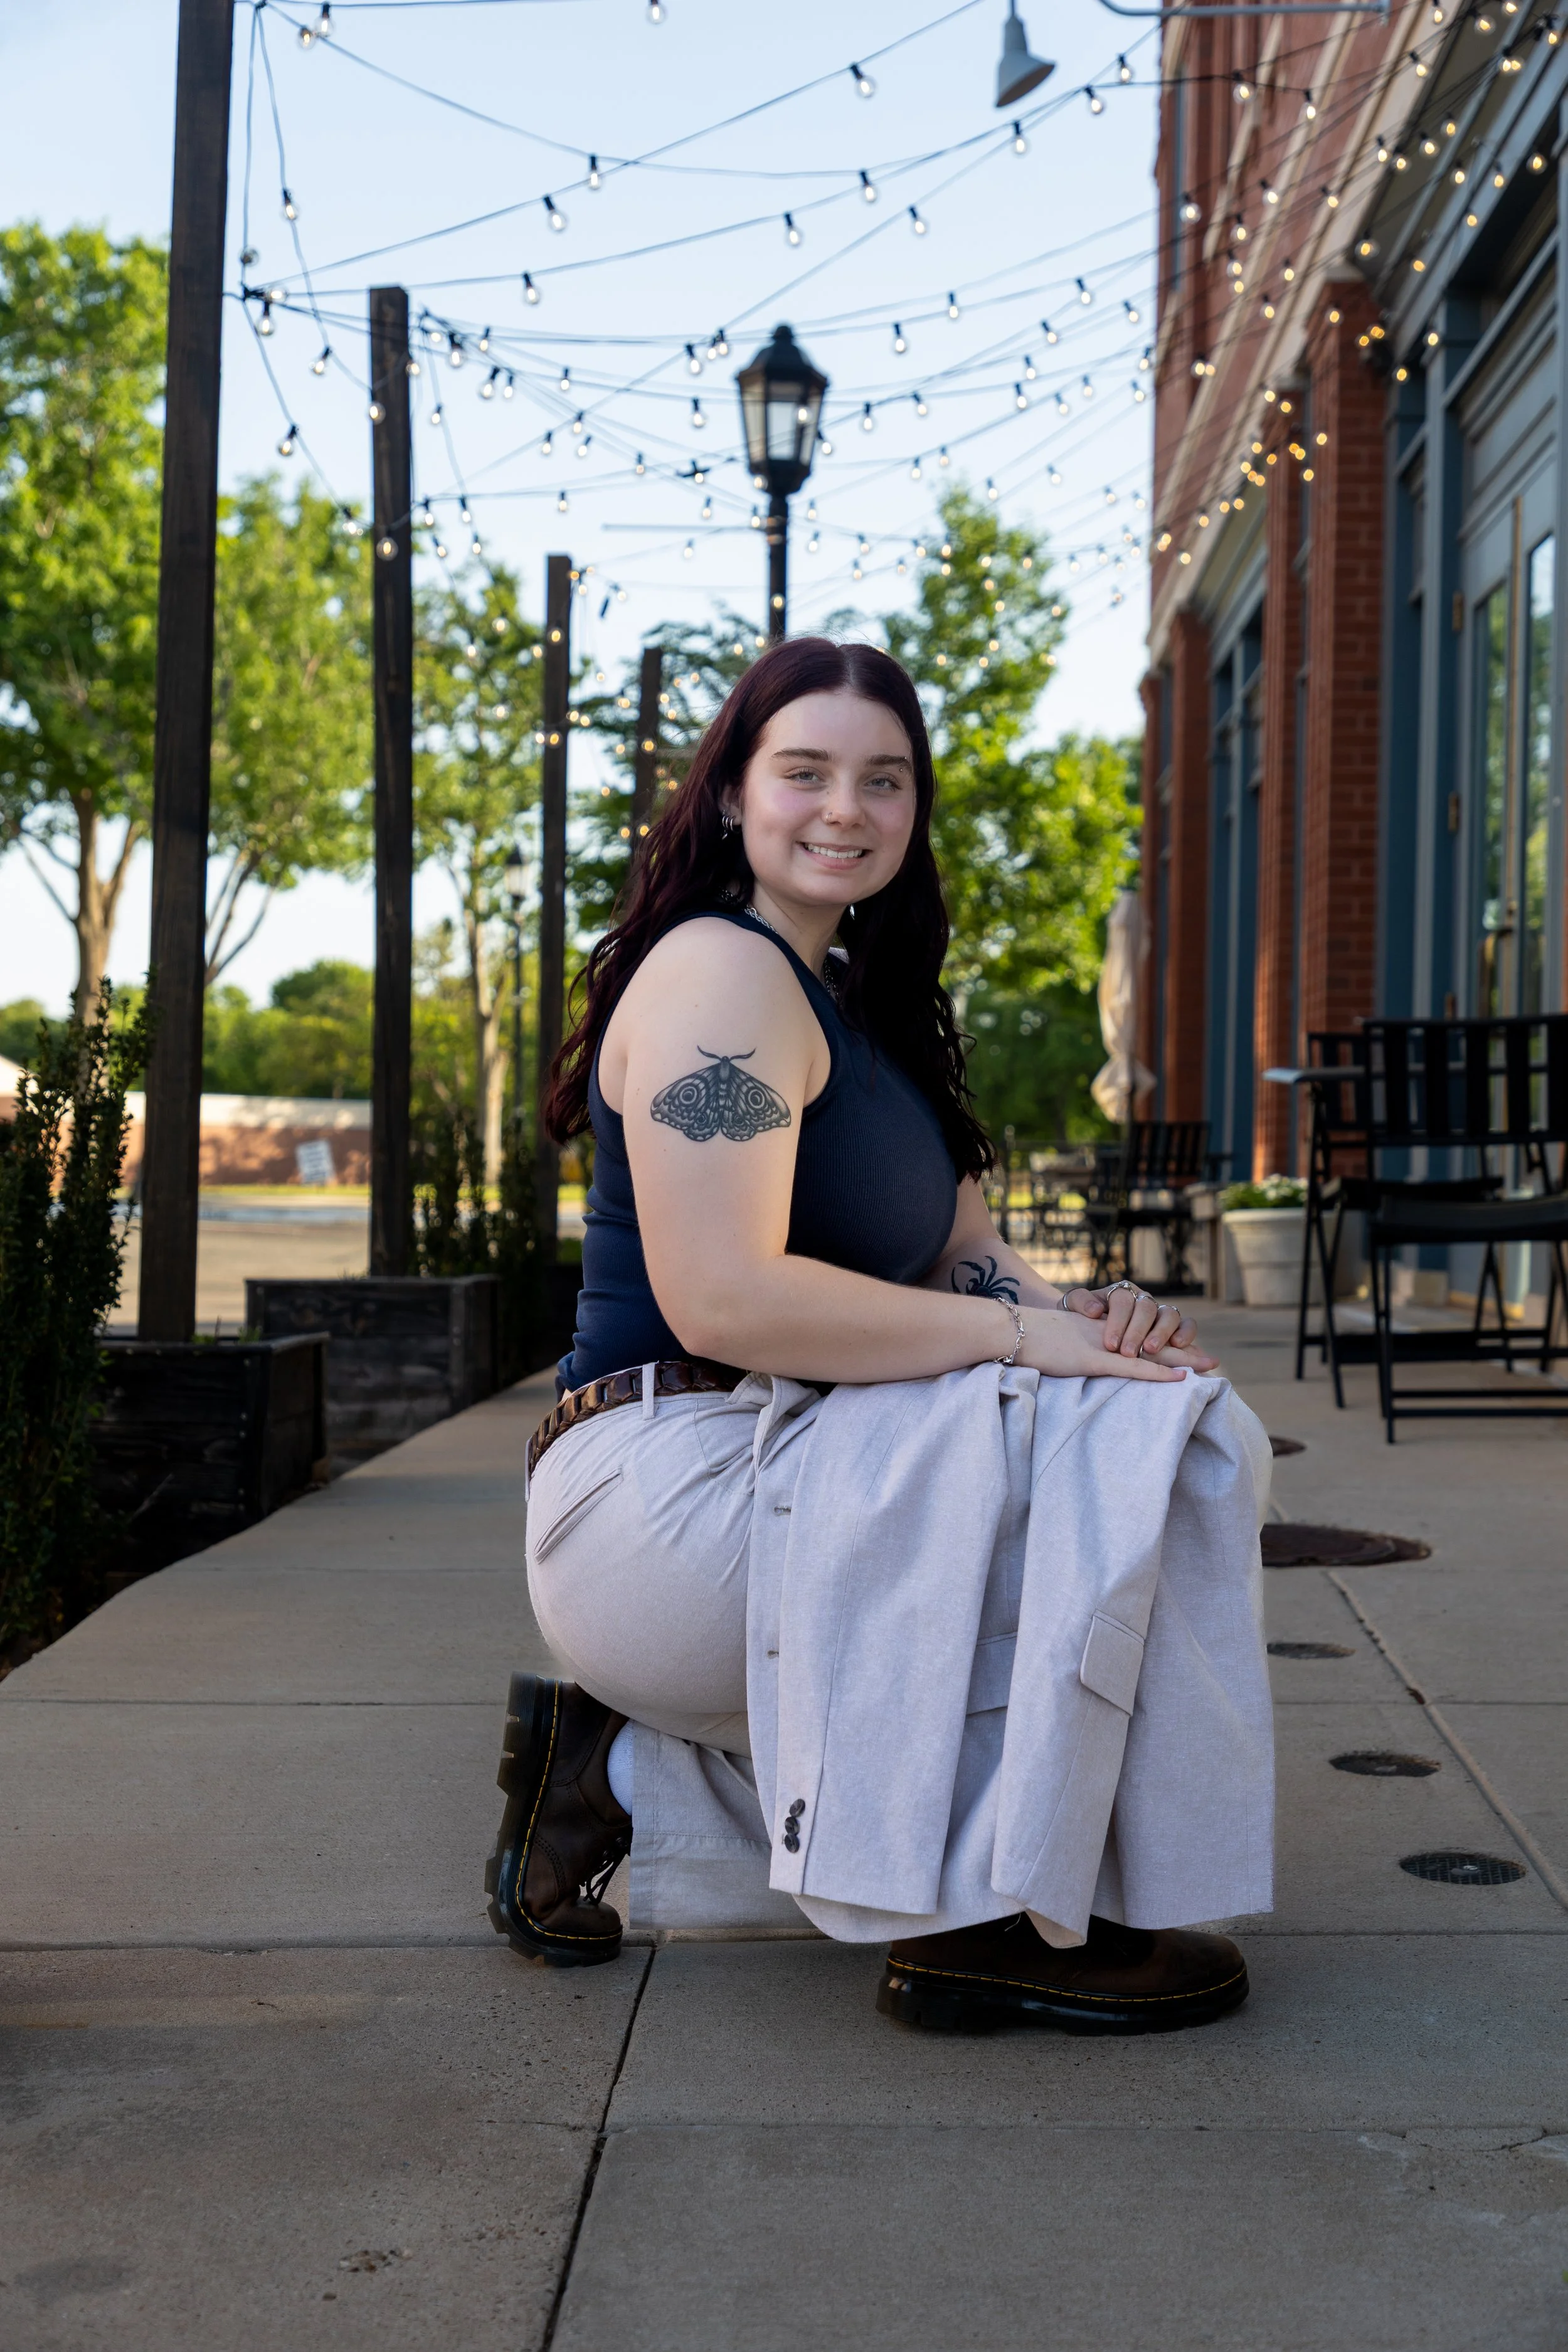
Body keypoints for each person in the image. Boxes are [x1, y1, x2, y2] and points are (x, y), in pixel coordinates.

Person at [485, 638, 1274, 2035]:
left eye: (882, 780)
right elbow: (725, 1299)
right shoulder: (718, 983)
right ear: (732, 794)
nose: (843, 809)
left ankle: (616, 1780)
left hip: (808, 1457)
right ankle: (981, 1920)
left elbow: (967, 1259)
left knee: (1158, 1427)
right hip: (672, 1484)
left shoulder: (864, 998)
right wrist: (1026, 1356)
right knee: (1092, 1495)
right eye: (804, 772)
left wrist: (1083, 1319)